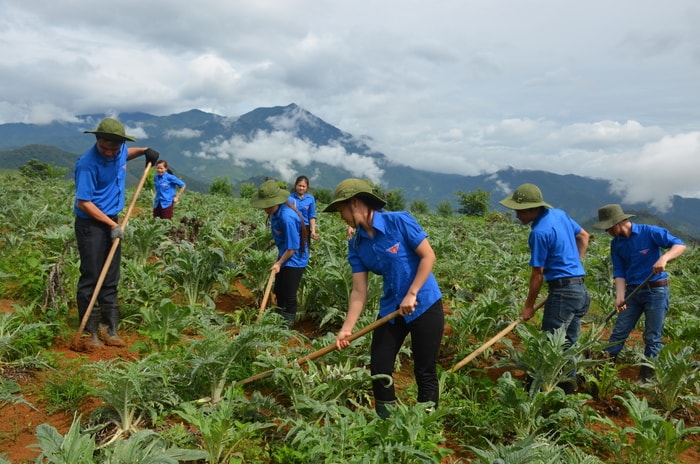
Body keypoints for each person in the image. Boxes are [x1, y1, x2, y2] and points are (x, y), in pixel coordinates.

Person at [323, 178, 444, 418]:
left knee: (424, 370)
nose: (342, 218)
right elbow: (359, 291)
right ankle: (386, 423)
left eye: (342, 211)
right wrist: (347, 329)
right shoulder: (356, 245)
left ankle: (425, 425)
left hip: (424, 304)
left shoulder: (399, 222)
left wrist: (412, 293)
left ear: (355, 203)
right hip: (392, 308)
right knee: (379, 366)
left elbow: (428, 257)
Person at [74, 117, 159, 346]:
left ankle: (109, 329)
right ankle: (89, 332)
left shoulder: (119, 151)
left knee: (111, 277)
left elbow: (125, 154)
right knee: (92, 275)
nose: (110, 153)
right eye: (105, 148)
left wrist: (144, 151)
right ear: (97, 141)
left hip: (112, 221)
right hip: (91, 224)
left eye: (114, 148)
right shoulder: (87, 164)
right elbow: (84, 202)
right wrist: (113, 226)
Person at [499, 183, 590, 393]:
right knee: (568, 343)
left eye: (519, 211)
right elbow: (584, 236)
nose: (516, 215)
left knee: (549, 345)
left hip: (563, 293)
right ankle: (567, 390)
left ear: (532, 209)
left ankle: (535, 392)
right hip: (579, 290)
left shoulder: (539, 232)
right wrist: (575, 265)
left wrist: (528, 306)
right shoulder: (559, 214)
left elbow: (537, 273)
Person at [593, 204, 686, 382]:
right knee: (619, 331)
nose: (606, 231)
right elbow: (619, 272)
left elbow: (679, 245)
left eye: (608, 226)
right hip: (632, 293)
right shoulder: (616, 244)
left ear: (618, 222)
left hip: (656, 290)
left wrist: (664, 258)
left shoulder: (649, 232)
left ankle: (646, 379)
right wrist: (620, 296)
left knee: (652, 336)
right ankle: (601, 373)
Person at [251, 179, 309, 326]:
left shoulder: (287, 217)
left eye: (268, 205)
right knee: (279, 290)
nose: (265, 209)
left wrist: (279, 263)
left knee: (289, 294)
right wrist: (279, 261)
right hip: (284, 254)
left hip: (294, 258)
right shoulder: (275, 212)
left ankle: (285, 326)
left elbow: (293, 248)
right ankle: (277, 320)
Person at [288, 175, 320, 241]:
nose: (301, 188)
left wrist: (313, 231)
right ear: (295, 186)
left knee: (304, 249)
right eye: (299, 185)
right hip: (293, 227)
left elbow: (312, 216)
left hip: (305, 228)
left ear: (307, 187)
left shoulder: (310, 198)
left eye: (303, 186)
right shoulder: (290, 198)